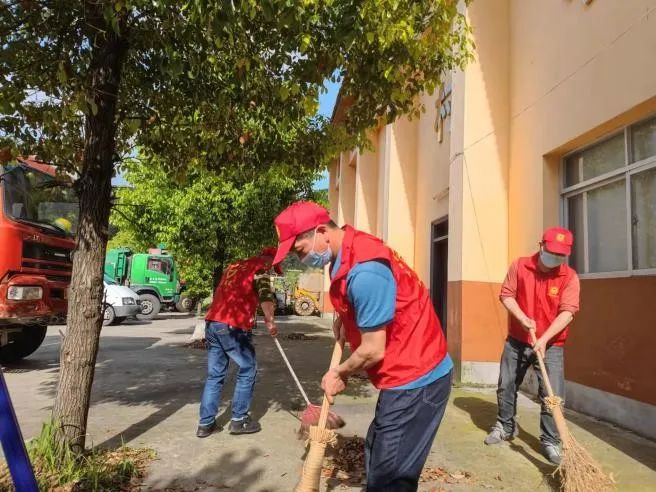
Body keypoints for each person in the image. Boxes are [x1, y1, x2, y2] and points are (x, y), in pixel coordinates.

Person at [272, 201, 453, 491]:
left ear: (321, 232)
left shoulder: (366, 271)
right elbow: (365, 304)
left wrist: (340, 373)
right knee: (376, 453)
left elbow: (372, 350)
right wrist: (347, 318)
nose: (301, 259)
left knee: (390, 477)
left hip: (418, 378)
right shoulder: (346, 250)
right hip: (401, 374)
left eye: (300, 250)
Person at [485, 227, 580, 466]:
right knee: (506, 385)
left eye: (560, 255)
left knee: (552, 395)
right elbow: (506, 295)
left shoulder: (569, 277)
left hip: (552, 344)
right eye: (552, 252)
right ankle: (505, 426)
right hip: (517, 340)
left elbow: (568, 312)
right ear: (541, 246)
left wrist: (545, 338)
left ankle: (550, 440)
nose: (555, 257)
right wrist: (522, 318)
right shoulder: (520, 266)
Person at [196, 247, 280, 438]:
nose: (272, 271)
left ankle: (205, 424)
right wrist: (270, 321)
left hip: (213, 323)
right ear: (269, 260)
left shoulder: (235, 266)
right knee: (248, 368)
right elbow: (266, 297)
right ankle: (239, 420)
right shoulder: (260, 269)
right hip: (233, 325)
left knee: (215, 375)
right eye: (274, 266)